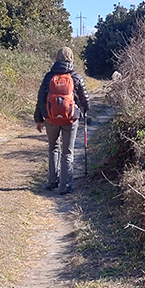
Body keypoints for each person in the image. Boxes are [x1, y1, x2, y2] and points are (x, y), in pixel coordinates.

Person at [34, 47, 90, 194]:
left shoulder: (49, 77)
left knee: (53, 147)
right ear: (71, 58)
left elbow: (41, 99)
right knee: (67, 152)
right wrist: (83, 112)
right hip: (70, 120)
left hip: (51, 118)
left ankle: (52, 181)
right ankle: (66, 186)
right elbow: (85, 100)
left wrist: (39, 119)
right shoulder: (76, 77)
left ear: (57, 58)